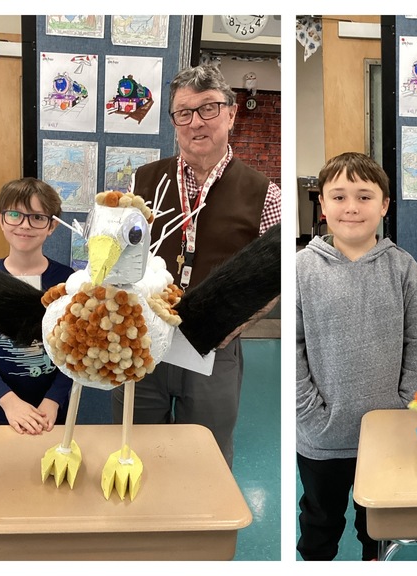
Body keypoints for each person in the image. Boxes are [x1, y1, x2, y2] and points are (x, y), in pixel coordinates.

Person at [112, 65, 282, 467]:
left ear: (231, 113)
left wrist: (240, 324)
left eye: (208, 109)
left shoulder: (265, 194)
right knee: (132, 451)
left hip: (213, 349)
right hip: (141, 344)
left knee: (204, 458)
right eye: (184, 113)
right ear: (174, 122)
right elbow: (117, 254)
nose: (196, 123)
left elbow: (276, 279)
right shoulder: (142, 182)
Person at [295, 152, 417, 561]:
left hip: (387, 432)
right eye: (338, 197)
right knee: (320, 517)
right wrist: (311, 414)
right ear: (321, 204)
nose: (351, 207)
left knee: (375, 521)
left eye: (364, 196)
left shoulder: (403, 269)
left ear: (384, 205)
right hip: (321, 436)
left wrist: (402, 406)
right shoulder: (302, 268)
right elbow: (295, 348)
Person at [0, 178, 74, 442]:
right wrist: (9, 402)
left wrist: (54, 400)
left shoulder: (68, 282)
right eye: (14, 215)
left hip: (51, 413)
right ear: (1, 220)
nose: (25, 224)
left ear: (52, 226)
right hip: (0, 414)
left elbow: (75, 352)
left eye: (37, 217)